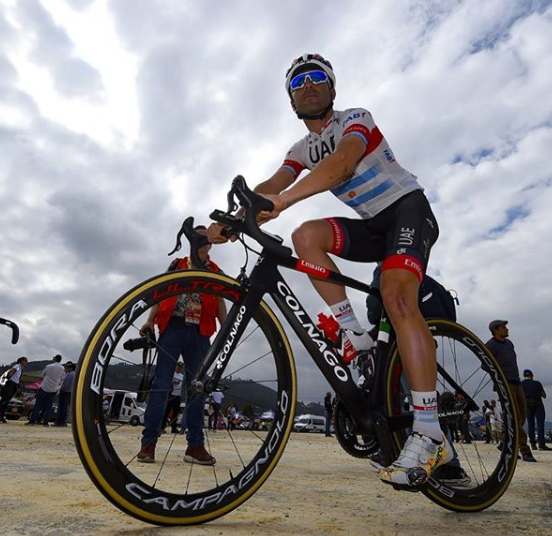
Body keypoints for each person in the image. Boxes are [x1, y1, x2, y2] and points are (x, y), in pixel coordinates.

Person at [209, 53, 451, 487]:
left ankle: (432, 432)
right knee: (306, 237)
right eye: (298, 82)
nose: (308, 85)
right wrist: (226, 223)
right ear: (291, 101)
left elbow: (341, 163)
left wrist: (282, 203)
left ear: (332, 89)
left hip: (407, 211)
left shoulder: (355, 117)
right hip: (373, 228)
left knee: (397, 298)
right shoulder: (300, 149)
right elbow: (271, 186)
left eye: (317, 78)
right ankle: (354, 334)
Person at [136, 226, 227, 465]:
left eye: (205, 238)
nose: (201, 242)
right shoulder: (177, 265)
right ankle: (149, 444)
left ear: (211, 244)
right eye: (197, 237)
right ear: (190, 242)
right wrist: (148, 320)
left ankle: (195, 447)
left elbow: (220, 303)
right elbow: (160, 292)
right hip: (172, 327)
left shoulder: (216, 271)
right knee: (161, 385)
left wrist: (227, 331)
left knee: (197, 389)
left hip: (200, 331)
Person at [485, 320, 536, 462]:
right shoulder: (490, 345)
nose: (507, 329)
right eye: (503, 327)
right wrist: (498, 377)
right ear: (496, 329)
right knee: (514, 415)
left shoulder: (509, 344)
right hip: (505, 384)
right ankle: (525, 450)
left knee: (522, 416)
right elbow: (485, 364)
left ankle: (504, 443)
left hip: (516, 382)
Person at [27, 354, 64, 426]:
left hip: (45, 387)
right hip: (54, 388)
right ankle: (46, 422)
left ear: (55, 359)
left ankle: (32, 420)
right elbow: (61, 378)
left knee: (38, 405)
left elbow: (42, 375)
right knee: (49, 406)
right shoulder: (62, 368)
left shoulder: (49, 366)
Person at [521, 369, 550, 451]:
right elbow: (544, 395)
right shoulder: (537, 383)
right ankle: (541, 444)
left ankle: (533, 444)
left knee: (531, 424)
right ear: (532, 375)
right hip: (537, 404)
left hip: (527, 405)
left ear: (524, 376)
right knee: (540, 424)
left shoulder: (521, 384)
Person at [0, 356, 28, 423]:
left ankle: (2, 416)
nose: (26, 363)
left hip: (14, 384)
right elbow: (11, 371)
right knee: (4, 400)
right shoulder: (17, 366)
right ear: (21, 361)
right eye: (25, 361)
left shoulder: (21, 368)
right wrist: (8, 378)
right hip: (11, 383)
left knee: (7, 401)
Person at [162, 362, 184, 434]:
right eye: (178, 367)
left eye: (180, 367)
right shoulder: (172, 374)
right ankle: (162, 427)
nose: (179, 368)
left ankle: (173, 428)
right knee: (167, 411)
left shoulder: (181, 376)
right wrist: (174, 382)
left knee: (176, 413)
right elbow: (168, 382)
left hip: (178, 396)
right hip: (171, 395)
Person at [56, 362, 75, 427]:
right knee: (65, 408)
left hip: (65, 392)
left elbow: (65, 385)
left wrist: (61, 389)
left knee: (62, 408)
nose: (66, 368)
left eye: (67, 367)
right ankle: (63, 421)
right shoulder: (75, 374)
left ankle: (61, 422)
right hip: (70, 393)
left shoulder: (69, 375)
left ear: (70, 368)